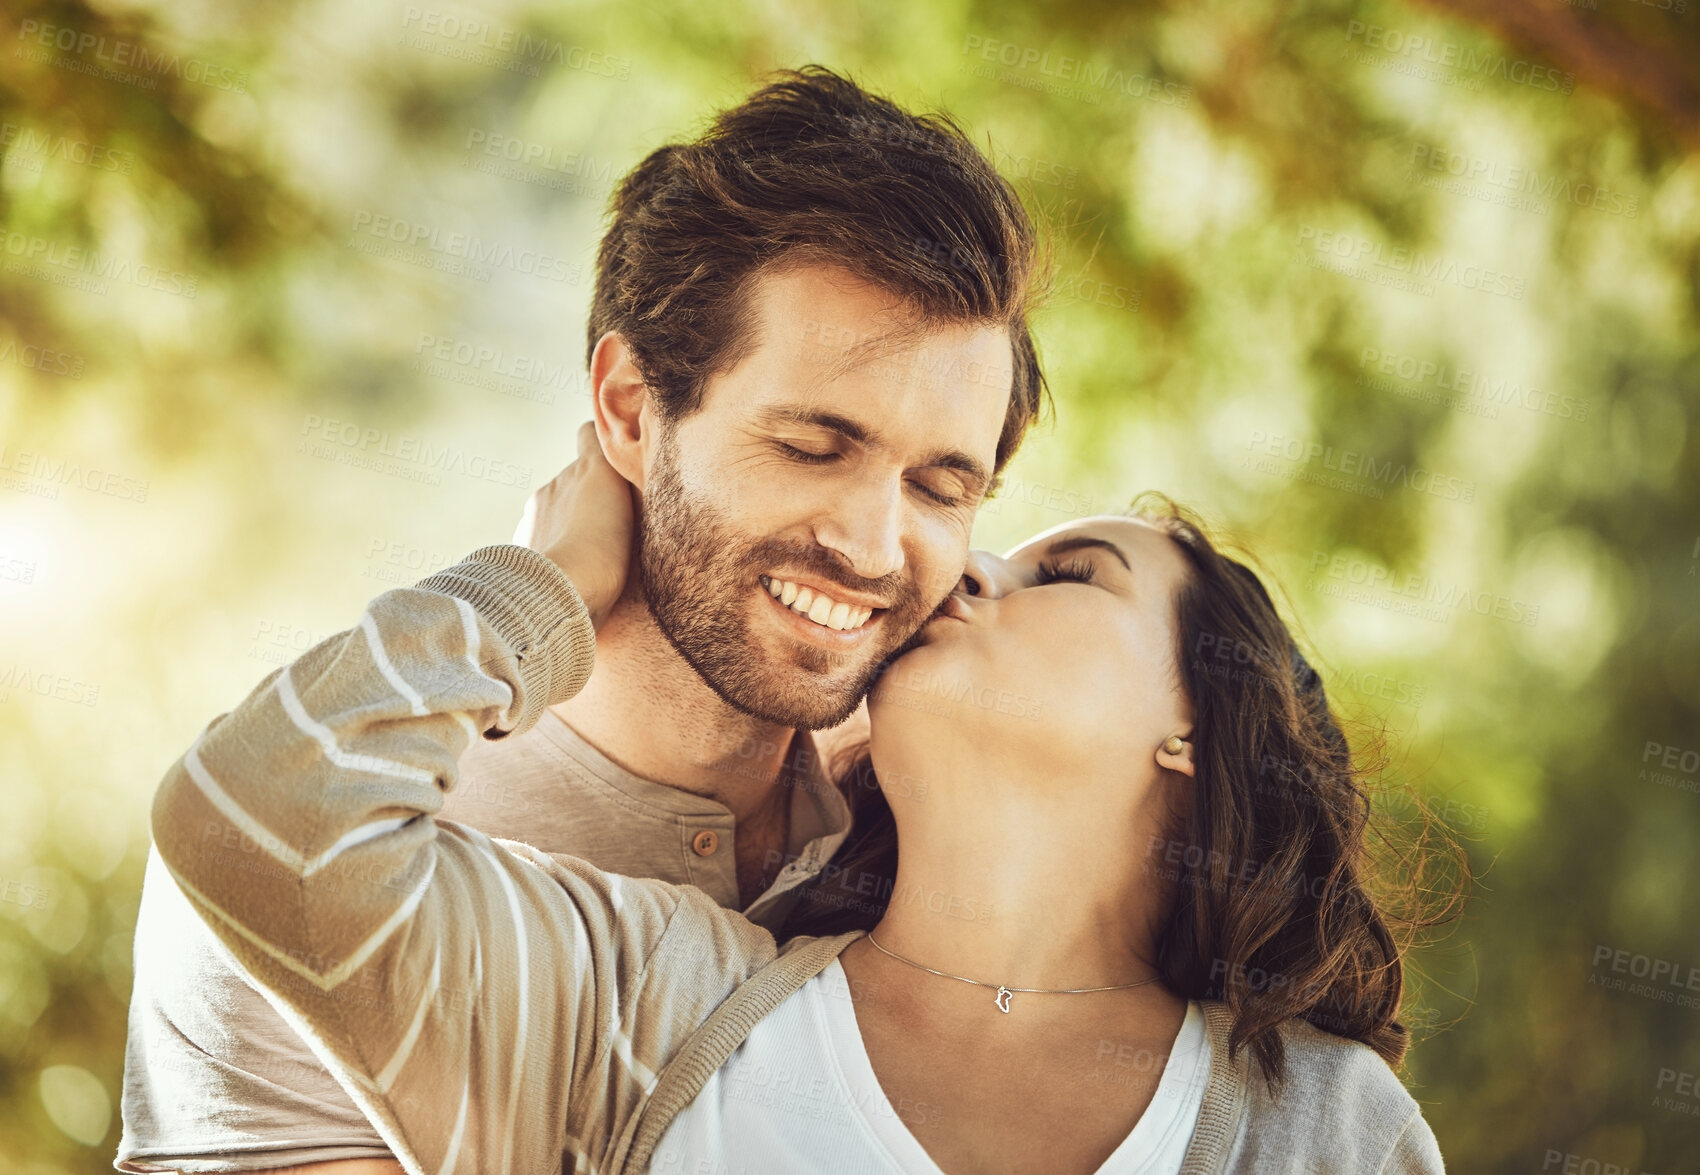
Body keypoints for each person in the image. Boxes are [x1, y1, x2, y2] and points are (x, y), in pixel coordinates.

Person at [118, 64, 1048, 1171]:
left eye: (940, 487)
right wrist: (538, 583)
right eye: (810, 445)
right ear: (627, 409)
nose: (869, 543)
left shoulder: (928, 821)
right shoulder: (330, 842)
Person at [146, 425, 1454, 1174]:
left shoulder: (1323, 1125)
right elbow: (259, 814)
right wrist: (539, 584)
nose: (969, 573)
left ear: (1195, 719)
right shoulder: (654, 1011)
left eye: (1073, 571)